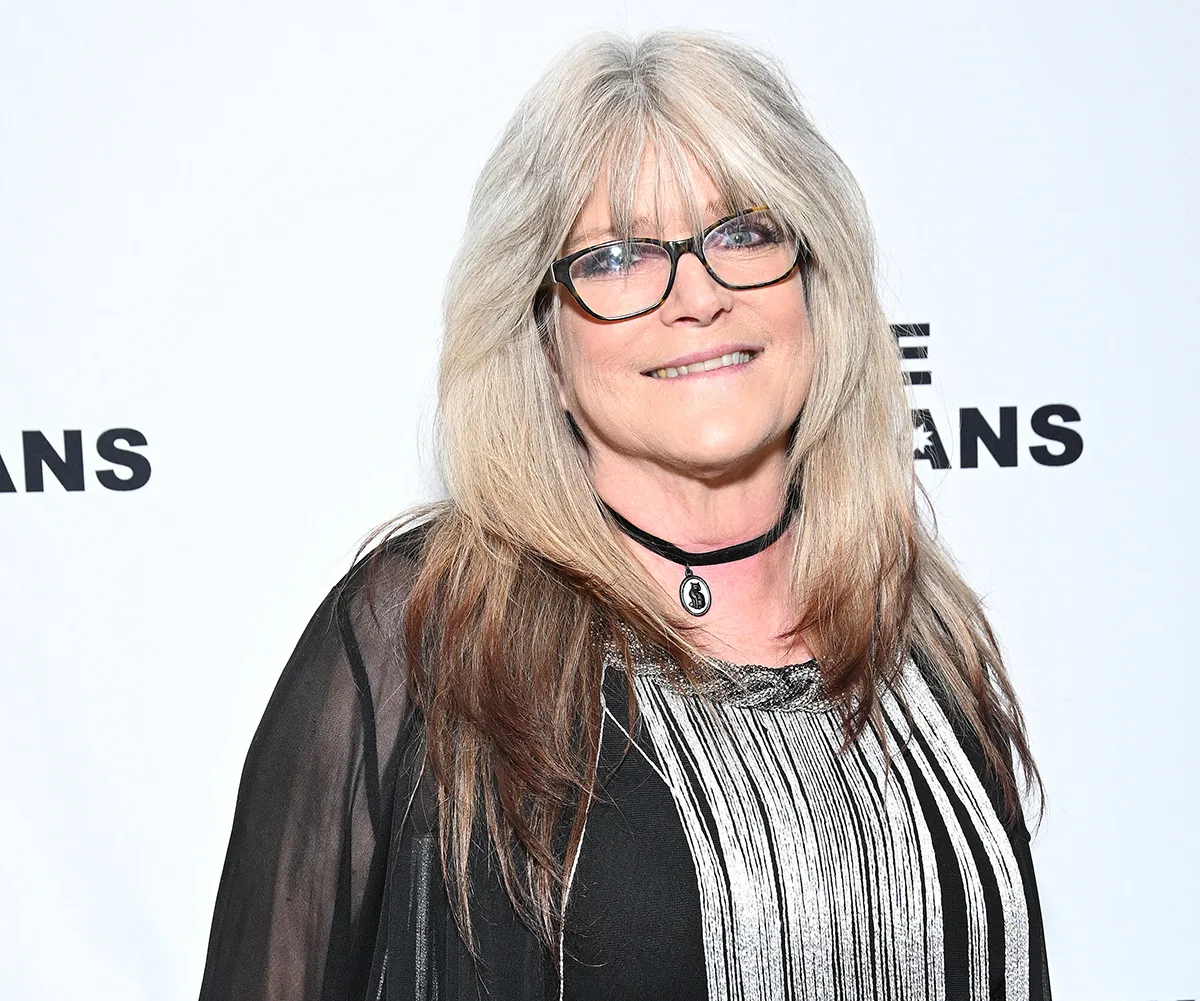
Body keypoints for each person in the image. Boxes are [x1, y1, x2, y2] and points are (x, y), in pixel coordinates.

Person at [198, 27, 1051, 1001]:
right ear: (544, 342)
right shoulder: (428, 637)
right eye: (616, 256)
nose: (697, 294)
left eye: (744, 231)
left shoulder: (923, 639)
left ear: (818, 287)